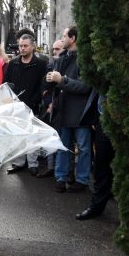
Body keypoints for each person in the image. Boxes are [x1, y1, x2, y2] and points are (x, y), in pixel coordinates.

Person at [45, 26, 98, 193]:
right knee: (63, 145)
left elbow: (85, 87)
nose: (62, 39)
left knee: (83, 148)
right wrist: (50, 82)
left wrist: (62, 80)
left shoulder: (85, 59)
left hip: (80, 112)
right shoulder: (61, 58)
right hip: (63, 109)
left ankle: (82, 180)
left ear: (73, 38)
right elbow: (57, 84)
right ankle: (61, 177)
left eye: (64, 36)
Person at [3, 34, 49, 175]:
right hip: (16, 106)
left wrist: (34, 100)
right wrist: (10, 100)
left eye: (25, 46)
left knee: (32, 135)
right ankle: (18, 162)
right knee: (17, 135)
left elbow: (42, 85)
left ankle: (33, 164)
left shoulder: (40, 64)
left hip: (32, 104)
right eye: (20, 46)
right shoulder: (13, 63)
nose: (22, 48)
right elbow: (6, 84)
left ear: (32, 46)